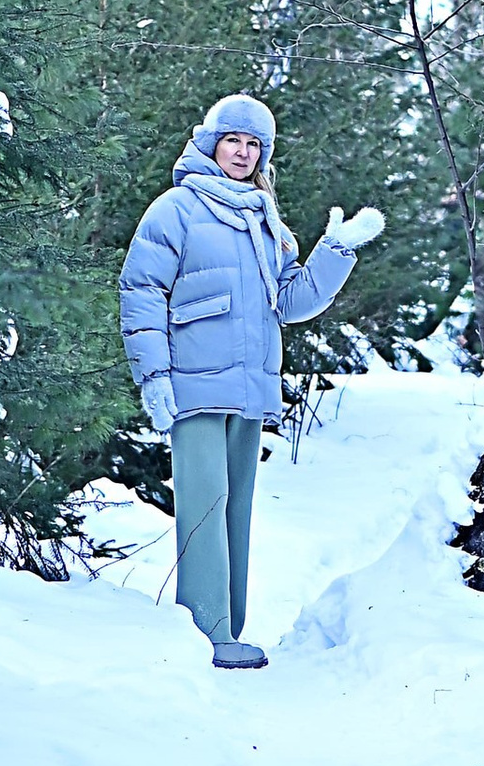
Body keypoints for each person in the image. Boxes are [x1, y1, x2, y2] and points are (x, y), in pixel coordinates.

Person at [119, 95, 385, 669]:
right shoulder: (177, 209)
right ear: (211, 142)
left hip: (246, 387)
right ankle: (205, 633)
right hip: (192, 385)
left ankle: (227, 631)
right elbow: (140, 292)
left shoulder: (265, 218)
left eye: (254, 144)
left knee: (235, 508)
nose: (242, 152)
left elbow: (289, 302)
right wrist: (154, 377)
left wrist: (336, 250)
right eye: (233, 140)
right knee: (202, 507)